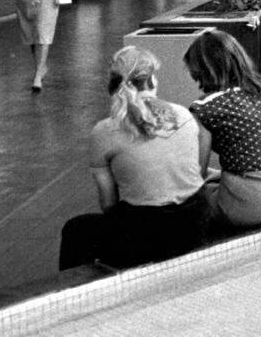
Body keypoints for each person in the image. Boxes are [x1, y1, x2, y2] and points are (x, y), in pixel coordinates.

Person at [58, 47, 206, 270]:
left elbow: (108, 204)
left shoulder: (104, 132)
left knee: (75, 229)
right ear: (153, 81)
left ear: (113, 85)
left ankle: (75, 294)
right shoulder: (184, 114)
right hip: (194, 222)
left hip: (145, 234)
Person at [184, 30, 261, 228]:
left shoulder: (206, 107)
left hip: (246, 208)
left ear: (203, 70)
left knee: (196, 196)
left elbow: (196, 174)